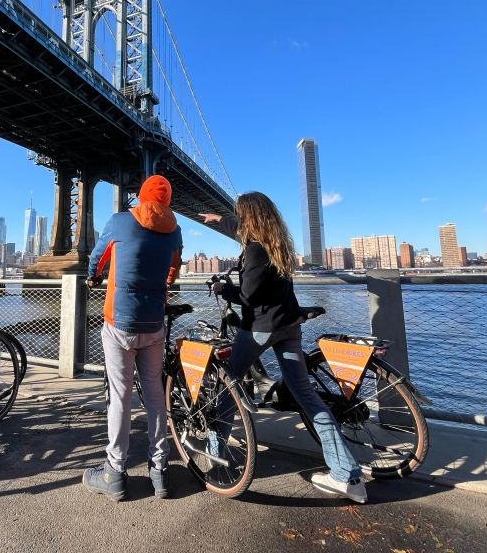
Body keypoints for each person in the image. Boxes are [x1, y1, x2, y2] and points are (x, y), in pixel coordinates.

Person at [200, 191, 367, 503]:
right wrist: (219, 220)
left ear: (248, 218)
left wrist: (225, 288)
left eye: (239, 215)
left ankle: (215, 454)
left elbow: (248, 298)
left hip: (260, 329)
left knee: (228, 384)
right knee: (306, 396)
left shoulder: (253, 252)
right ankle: (348, 476)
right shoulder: (277, 246)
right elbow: (238, 228)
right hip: (289, 326)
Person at [82, 175, 183, 501]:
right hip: (154, 325)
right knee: (155, 396)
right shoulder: (175, 230)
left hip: (120, 324)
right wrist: (164, 284)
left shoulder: (120, 221)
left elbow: (97, 258)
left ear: (140, 196)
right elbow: (173, 268)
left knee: (120, 396)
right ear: (167, 201)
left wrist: (92, 278)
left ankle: (115, 472)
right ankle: (159, 471)